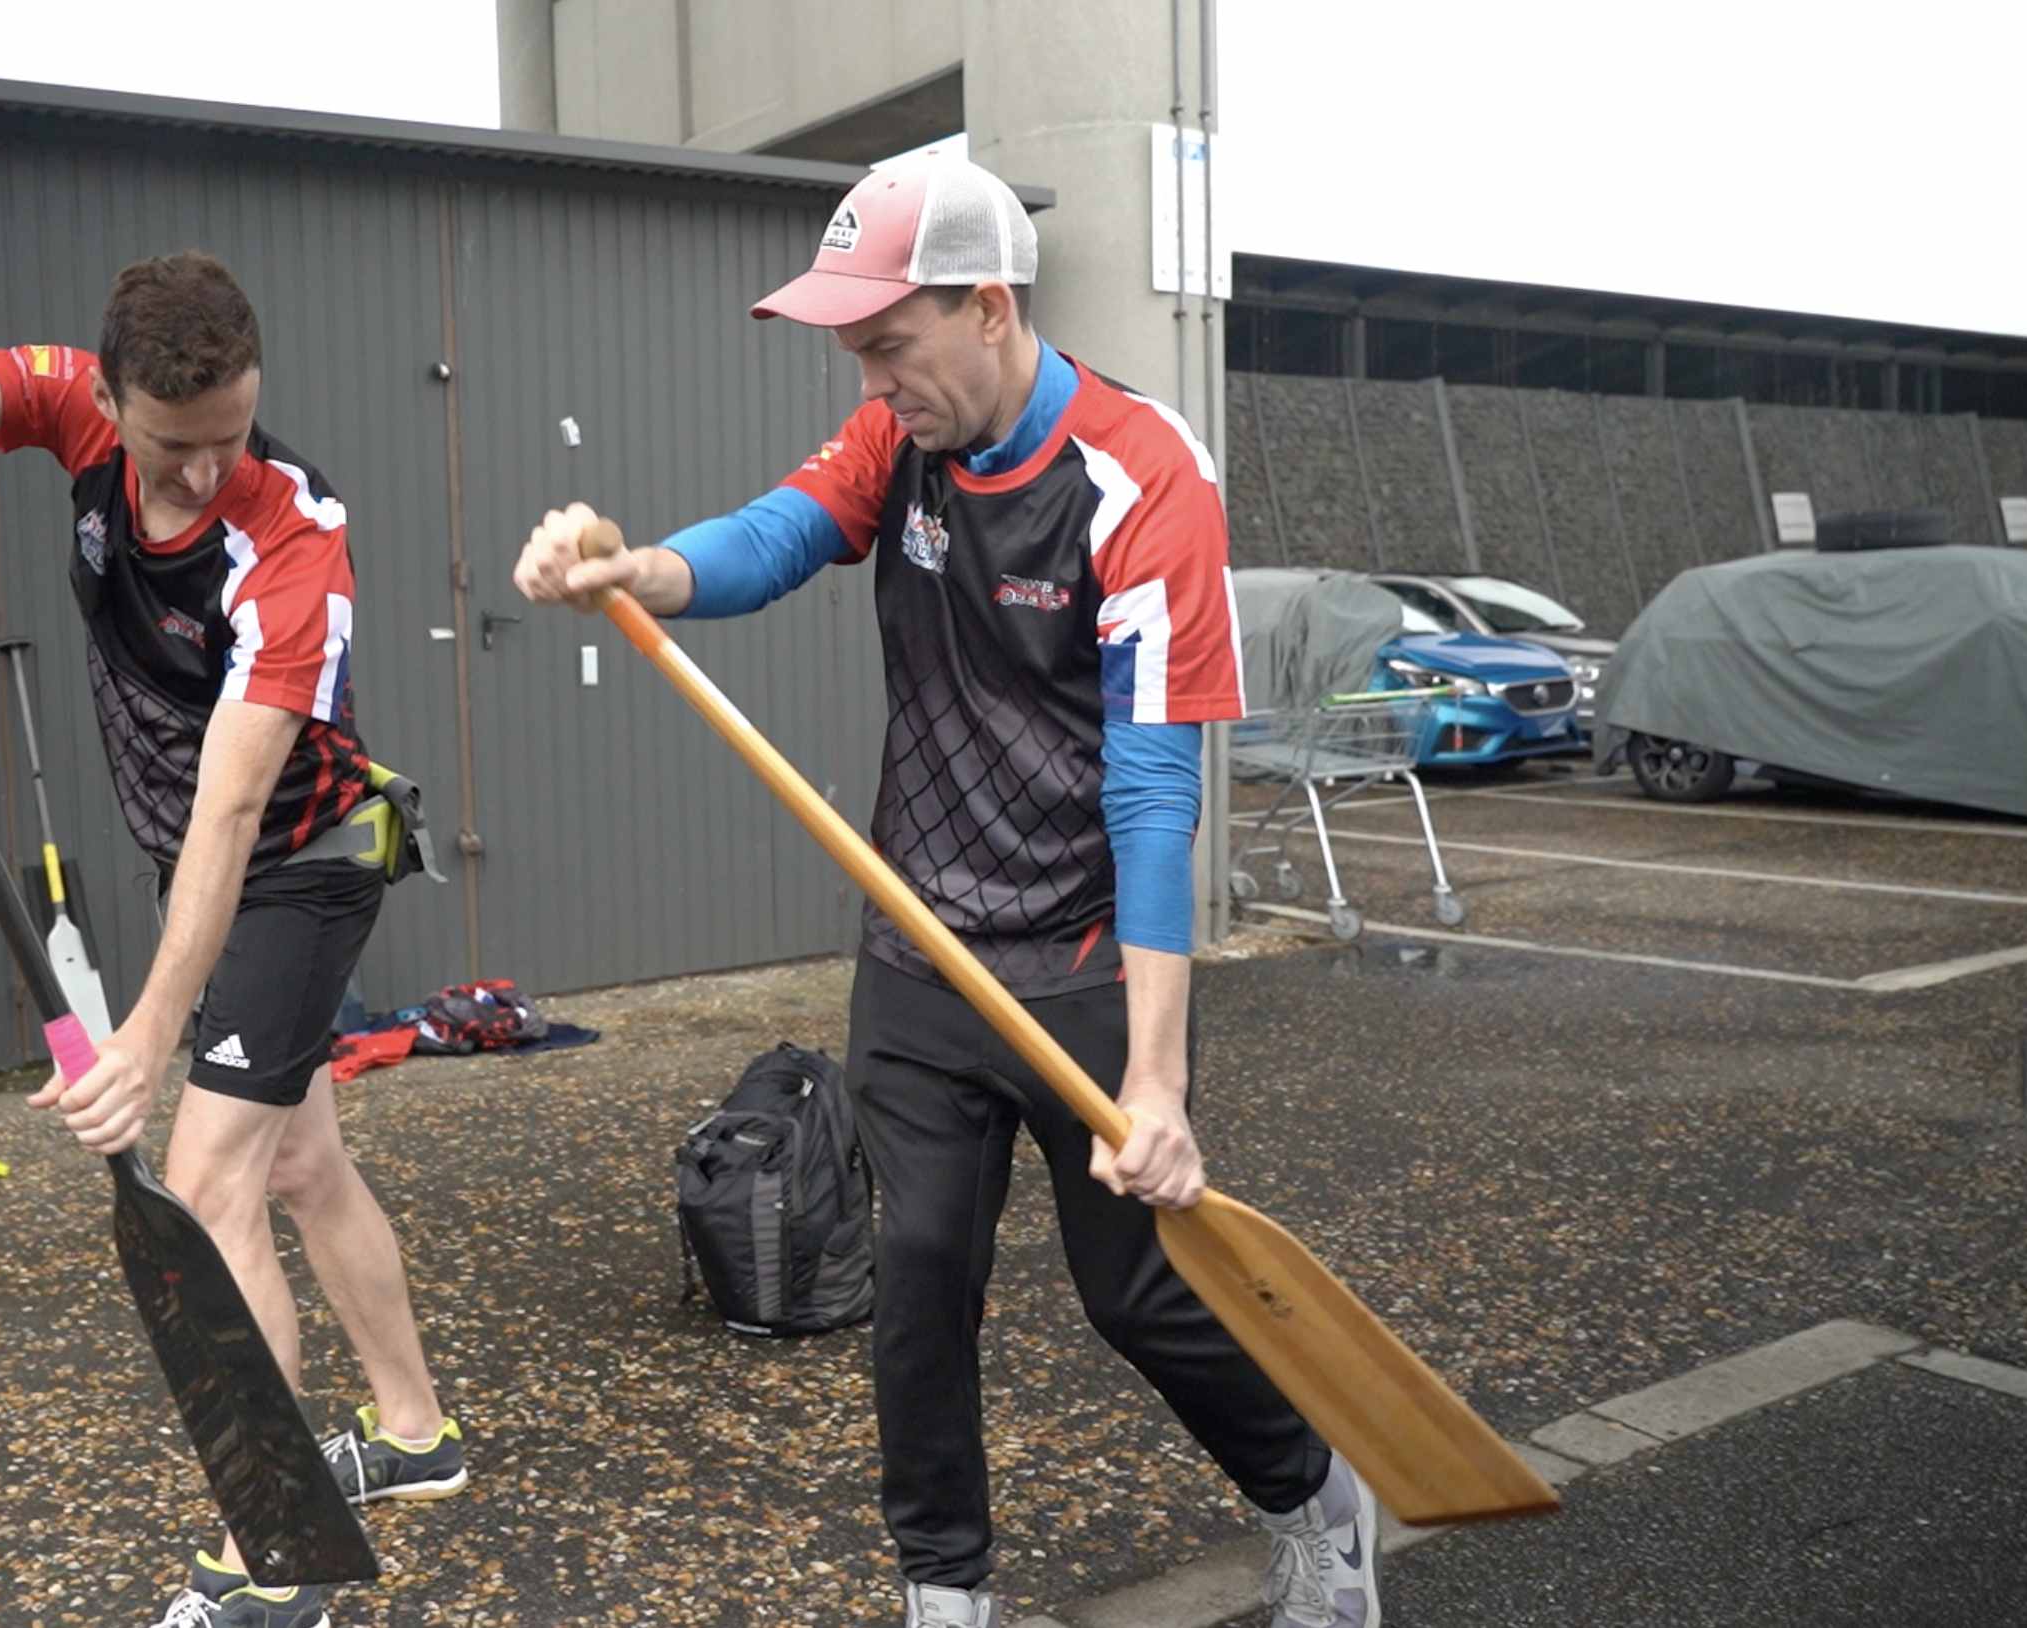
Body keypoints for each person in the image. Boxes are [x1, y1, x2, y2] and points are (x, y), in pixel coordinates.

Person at [511, 159, 1382, 1628]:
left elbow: (1155, 790)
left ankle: (1312, 1497)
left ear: (989, 307)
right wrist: (637, 569)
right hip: (918, 950)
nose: (871, 376)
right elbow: (777, 535)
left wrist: (1157, 1083)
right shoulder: (894, 440)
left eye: (890, 342)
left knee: (1141, 1296)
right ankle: (946, 1591)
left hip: (1089, 958)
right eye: (856, 351)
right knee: (915, 1282)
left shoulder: (1141, 474)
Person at [0, 251, 463, 1628]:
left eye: (230, 437)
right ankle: (419, 1438)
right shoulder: (71, 407)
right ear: (115, 401)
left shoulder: (292, 543)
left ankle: (272, 1557)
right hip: (215, 866)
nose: (201, 473)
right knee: (299, 1158)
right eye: (173, 444)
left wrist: (145, 1036)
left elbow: (235, 815)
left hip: (308, 862)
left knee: (204, 1182)